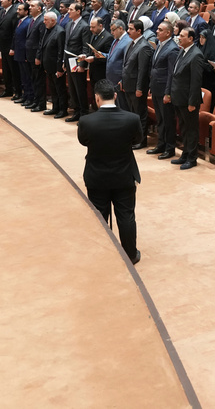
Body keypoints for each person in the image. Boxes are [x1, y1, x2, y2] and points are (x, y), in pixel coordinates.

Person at [77, 79, 144, 264]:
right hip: (124, 176)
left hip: (97, 177)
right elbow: (137, 140)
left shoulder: (86, 121)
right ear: (115, 96)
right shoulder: (132, 119)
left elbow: (83, 141)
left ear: (96, 98)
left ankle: (102, 255)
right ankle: (131, 254)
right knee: (126, 216)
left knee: (99, 217)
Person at [169, 27, 205, 170]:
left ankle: (192, 158)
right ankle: (185, 154)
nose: (178, 37)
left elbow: (196, 82)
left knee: (191, 130)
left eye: (182, 36)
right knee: (183, 128)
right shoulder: (182, 51)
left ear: (190, 38)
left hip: (188, 100)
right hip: (179, 98)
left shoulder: (196, 55)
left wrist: (192, 102)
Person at [147, 21, 180, 159]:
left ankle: (170, 147)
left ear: (168, 32)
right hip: (156, 88)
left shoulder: (172, 49)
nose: (157, 31)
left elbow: (171, 74)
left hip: (164, 90)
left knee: (168, 120)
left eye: (160, 30)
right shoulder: (159, 45)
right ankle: (161, 144)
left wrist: (168, 93)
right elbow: (155, 68)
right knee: (160, 119)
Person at [119, 18, 153, 146]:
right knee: (132, 114)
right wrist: (122, 81)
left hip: (137, 87)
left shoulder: (144, 46)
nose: (128, 31)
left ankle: (141, 140)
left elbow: (142, 70)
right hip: (128, 84)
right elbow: (125, 66)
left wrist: (139, 88)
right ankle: (134, 137)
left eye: (131, 29)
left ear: (139, 31)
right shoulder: (130, 43)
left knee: (140, 114)